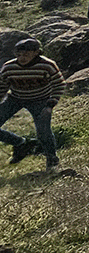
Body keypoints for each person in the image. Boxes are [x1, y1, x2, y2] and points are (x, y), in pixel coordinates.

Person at [0, 38, 64, 171]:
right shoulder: (9, 67)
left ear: (36, 53)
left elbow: (59, 84)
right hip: (15, 99)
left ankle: (52, 158)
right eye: (19, 55)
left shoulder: (47, 65)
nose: (22, 58)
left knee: (43, 131)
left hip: (41, 100)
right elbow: (2, 87)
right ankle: (20, 143)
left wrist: (50, 104)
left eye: (26, 55)